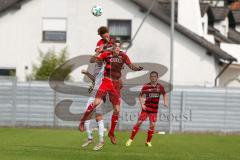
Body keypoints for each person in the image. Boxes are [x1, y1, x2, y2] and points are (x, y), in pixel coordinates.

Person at [79, 41, 143, 145]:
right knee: (95, 103)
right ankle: (82, 121)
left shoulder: (123, 56)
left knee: (117, 110)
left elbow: (131, 66)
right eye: (116, 47)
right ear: (112, 48)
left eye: (119, 47)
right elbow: (92, 60)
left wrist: (138, 68)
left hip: (116, 84)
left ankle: (111, 133)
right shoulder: (106, 54)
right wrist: (98, 52)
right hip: (106, 81)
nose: (118, 49)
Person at [80, 26, 115, 151]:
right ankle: (90, 138)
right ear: (101, 36)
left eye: (107, 34)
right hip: (96, 88)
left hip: (101, 90)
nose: (106, 36)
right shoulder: (100, 51)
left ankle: (100, 140)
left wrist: (105, 50)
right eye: (104, 35)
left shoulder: (107, 61)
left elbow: (116, 52)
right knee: (88, 114)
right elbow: (92, 59)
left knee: (98, 116)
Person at [126, 71, 168, 147]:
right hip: (146, 108)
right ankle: (130, 139)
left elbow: (164, 94)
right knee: (139, 123)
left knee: (152, 125)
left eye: (155, 76)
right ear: (150, 77)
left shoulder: (160, 87)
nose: (153, 77)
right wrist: (142, 104)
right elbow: (140, 96)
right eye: (152, 76)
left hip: (154, 110)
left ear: (157, 77)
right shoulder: (146, 86)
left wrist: (165, 102)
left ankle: (148, 142)